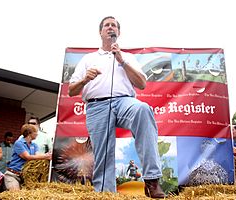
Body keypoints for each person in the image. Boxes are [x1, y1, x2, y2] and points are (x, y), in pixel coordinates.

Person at [68, 16, 166, 198]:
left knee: (143, 110)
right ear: (100, 32)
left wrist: (122, 61)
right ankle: (106, 194)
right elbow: (71, 91)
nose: (110, 27)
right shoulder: (88, 59)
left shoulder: (127, 57)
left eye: (114, 25)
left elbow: (142, 83)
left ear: (118, 33)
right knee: (103, 151)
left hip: (124, 102)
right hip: (97, 106)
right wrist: (84, 79)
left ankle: (152, 181)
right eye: (107, 25)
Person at [4, 124, 52, 190]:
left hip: (24, 177)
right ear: (29, 133)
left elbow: (37, 156)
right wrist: (45, 156)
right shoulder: (19, 143)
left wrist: (47, 155)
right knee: (15, 195)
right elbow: (27, 157)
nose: (37, 134)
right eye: (35, 132)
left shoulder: (34, 145)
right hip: (13, 175)